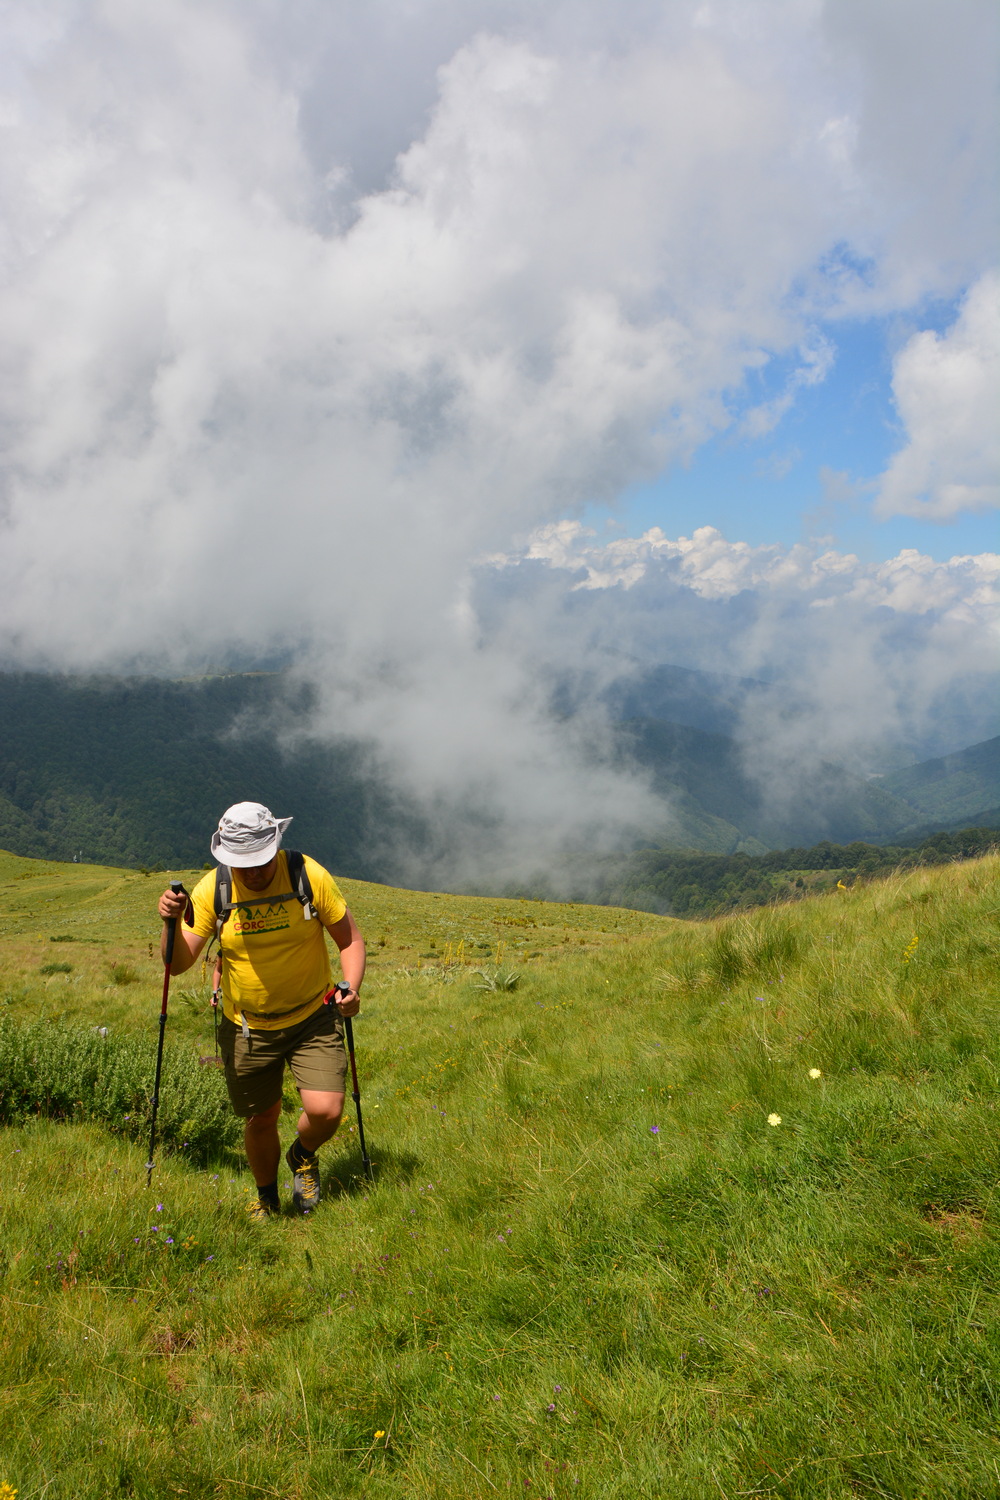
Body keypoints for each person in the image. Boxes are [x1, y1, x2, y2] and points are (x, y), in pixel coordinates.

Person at [157, 802, 365, 1220]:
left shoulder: (307, 875)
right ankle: (267, 1199)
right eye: (242, 864)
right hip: (246, 1026)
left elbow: (350, 941)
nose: (252, 873)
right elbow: (177, 965)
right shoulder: (212, 890)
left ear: (275, 846)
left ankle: (302, 1154)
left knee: (326, 1111)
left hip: (313, 1014)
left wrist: (351, 989)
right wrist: (170, 923)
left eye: (260, 862)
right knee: (260, 1117)